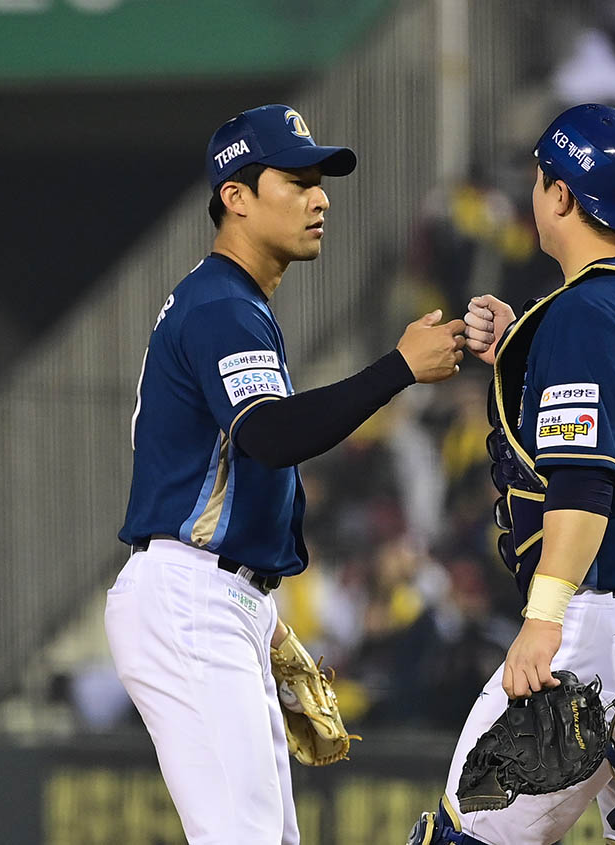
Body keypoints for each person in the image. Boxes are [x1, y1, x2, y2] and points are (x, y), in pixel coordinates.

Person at [104, 104, 465, 845]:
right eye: (296, 179)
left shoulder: (233, 303)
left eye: (319, 181)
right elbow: (270, 435)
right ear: (235, 195)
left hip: (217, 592)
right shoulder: (221, 305)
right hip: (191, 592)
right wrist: (397, 368)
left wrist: (260, 611)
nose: (320, 195)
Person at [407, 104, 615, 844]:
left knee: (468, 835)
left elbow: (585, 484)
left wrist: (542, 618)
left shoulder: (586, 313)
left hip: (613, 622)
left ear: (560, 195)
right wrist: (527, 347)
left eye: (539, 179)